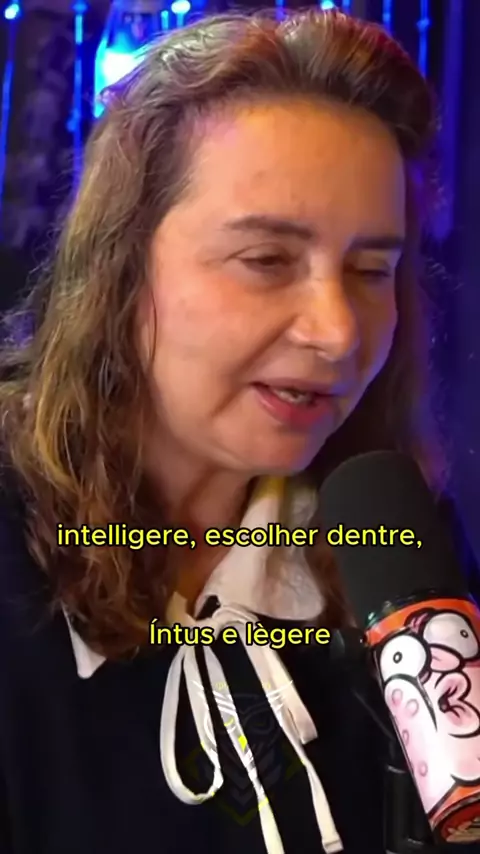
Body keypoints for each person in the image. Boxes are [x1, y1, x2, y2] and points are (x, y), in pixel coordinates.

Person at [0, 8, 478, 854]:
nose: (338, 332)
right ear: (121, 266)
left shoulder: (393, 539)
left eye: (372, 270)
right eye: (266, 260)